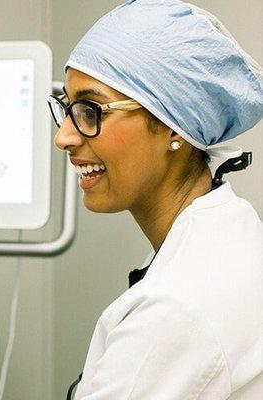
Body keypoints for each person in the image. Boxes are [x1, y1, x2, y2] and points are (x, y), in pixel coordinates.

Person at [49, 1, 263, 399]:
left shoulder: (176, 309)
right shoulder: (234, 230)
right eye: (65, 109)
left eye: (90, 110)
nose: (63, 136)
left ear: (171, 126)